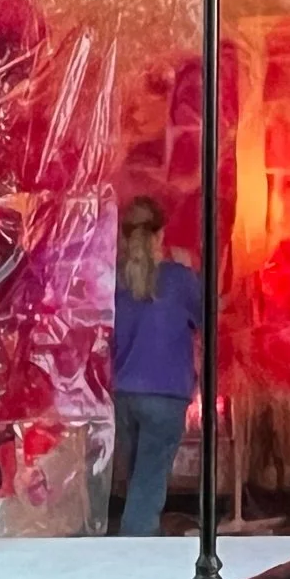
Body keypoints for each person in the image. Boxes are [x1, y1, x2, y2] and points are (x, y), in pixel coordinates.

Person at [111, 196, 202, 537]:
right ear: (161, 235)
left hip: (124, 394)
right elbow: (209, 317)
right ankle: (134, 555)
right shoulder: (179, 279)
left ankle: (137, 537)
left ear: (123, 236)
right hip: (165, 395)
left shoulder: (114, 281)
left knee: (138, 477)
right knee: (148, 483)